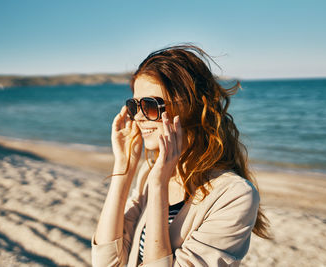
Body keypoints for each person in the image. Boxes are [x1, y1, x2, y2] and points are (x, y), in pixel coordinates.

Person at [92, 45, 271, 267]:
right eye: (134, 105)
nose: (138, 116)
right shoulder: (148, 173)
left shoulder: (235, 196)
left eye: (150, 105)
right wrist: (124, 167)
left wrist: (159, 187)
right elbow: (105, 263)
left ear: (191, 108)